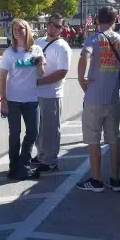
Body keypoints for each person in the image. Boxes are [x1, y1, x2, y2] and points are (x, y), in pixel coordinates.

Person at [76, 6, 120, 192]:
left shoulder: (94, 38)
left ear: (98, 20)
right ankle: (115, 179)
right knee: (114, 139)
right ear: (116, 21)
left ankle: (96, 180)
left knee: (93, 140)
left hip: (93, 98)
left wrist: (82, 79)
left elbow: (84, 55)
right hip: (113, 97)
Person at [0, 19, 44, 180]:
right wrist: (3, 99)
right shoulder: (9, 52)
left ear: (28, 30)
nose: (18, 31)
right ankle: (14, 168)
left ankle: (23, 165)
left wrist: (40, 65)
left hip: (32, 99)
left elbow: (40, 74)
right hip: (13, 100)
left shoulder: (36, 50)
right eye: (15, 29)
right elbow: (3, 76)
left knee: (33, 132)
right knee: (15, 134)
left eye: (21, 28)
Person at [33, 13, 72, 173]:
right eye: (51, 24)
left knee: (50, 128)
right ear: (47, 24)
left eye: (57, 26)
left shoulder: (62, 47)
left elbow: (62, 72)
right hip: (34, 93)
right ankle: (41, 154)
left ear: (62, 29)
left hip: (52, 93)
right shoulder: (38, 42)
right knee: (38, 127)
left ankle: (50, 160)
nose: (53, 27)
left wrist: (41, 82)